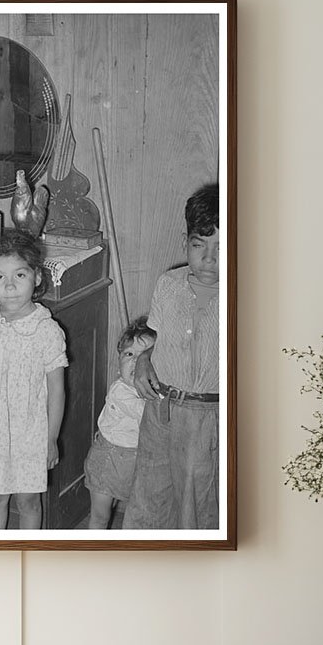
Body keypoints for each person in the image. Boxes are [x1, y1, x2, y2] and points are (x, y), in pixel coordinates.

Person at [124, 182, 221, 530]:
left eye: (221, 248)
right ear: (185, 243)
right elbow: (159, 338)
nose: (209, 259)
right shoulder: (168, 284)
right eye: (200, 245)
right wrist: (144, 360)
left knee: (195, 507)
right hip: (160, 410)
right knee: (148, 498)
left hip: (206, 418)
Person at [0, 231, 67, 529]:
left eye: (19, 275)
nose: (9, 286)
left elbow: (57, 390)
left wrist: (50, 438)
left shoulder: (46, 331)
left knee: (28, 501)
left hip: (28, 433)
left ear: (36, 277)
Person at [83, 316, 156, 528]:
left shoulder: (153, 391)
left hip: (134, 461)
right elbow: (148, 416)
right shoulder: (121, 392)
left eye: (143, 356)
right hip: (109, 461)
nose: (135, 361)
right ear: (118, 364)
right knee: (100, 515)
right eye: (129, 354)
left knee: (133, 509)